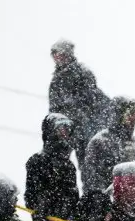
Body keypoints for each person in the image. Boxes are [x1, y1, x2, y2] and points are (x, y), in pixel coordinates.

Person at [24, 113, 80, 221]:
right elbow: (32, 197)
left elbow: (73, 198)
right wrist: (42, 217)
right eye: (60, 129)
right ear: (49, 132)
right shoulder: (37, 161)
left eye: (67, 129)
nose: (64, 133)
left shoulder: (68, 165)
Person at [48, 39, 110, 169]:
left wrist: (81, 120)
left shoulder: (81, 73)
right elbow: (54, 108)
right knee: (57, 164)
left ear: (68, 54)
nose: (57, 58)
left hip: (84, 129)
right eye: (54, 55)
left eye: (60, 54)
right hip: (65, 129)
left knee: (88, 166)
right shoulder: (56, 80)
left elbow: (92, 100)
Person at [84, 96, 135, 192]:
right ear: (118, 114)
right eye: (129, 113)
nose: (133, 117)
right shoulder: (99, 142)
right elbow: (92, 179)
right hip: (109, 201)